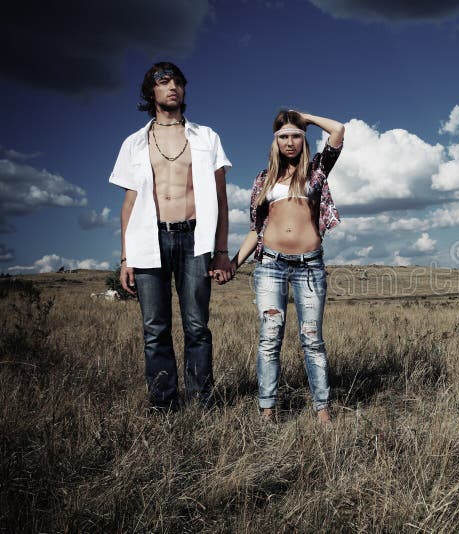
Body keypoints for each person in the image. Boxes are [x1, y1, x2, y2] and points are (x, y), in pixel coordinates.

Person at [109, 62, 233, 411]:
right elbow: (129, 203)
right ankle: (163, 404)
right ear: (152, 92)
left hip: (194, 238)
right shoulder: (134, 142)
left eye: (177, 81)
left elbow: (221, 199)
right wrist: (125, 257)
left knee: (197, 325)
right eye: (164, 82)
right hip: (149, 239)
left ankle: (200, 402)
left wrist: (221, 250)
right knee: (155, 328)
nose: (172, 87)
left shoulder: (206, 137)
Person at [230, 109, 344, 423]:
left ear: (303, 139)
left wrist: (303, 116)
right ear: (275, 142)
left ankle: (322, 411)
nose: (290, 142)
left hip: (310, 267)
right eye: (283, 137)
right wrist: (233, 264)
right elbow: (256, 229)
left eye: (295, 135)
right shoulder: (264, 180)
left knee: (312, 338)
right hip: (270, 266)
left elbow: (338, 130)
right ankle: (267, 410)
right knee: (270, 336)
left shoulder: (317, 170)